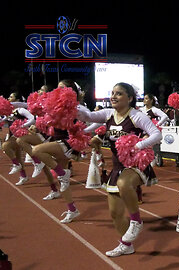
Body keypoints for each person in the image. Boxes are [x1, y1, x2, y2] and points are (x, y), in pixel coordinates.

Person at [77, 82, 162, 257]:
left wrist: (138, 145)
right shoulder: (108, 114)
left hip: (135, 164)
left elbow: (156, 134)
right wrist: (69, 105)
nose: (113, 96)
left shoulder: (136, 116)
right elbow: (88, 116)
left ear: (130, 98)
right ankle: (126, 244)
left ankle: (136, 222)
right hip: (117, 166)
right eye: (113, 93)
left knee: (124, 183)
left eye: (119, 94)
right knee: (115, 214)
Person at [31, 79, 84, 223]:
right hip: (58, 141)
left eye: (62, 87)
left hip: (68, 143)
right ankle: (72, 210)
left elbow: (92, 119)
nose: (58, 89)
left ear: (70, 91)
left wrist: (81, 132)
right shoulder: (55, 106)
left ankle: (61, 172)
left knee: (36, 150)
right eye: (57, 87)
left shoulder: (78, 108)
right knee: (64, 182)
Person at [16, 86, 60, 200]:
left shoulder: (51, 105)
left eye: (42, 89)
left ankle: (38, 162)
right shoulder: (37, 105)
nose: (39, 91)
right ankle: (54, 190)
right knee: (45, 168)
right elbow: (25, 106)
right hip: (41, 136)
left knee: (21, 140)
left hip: (50, 138)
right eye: (39, 90)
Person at [1, 92, 35, 186]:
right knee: (18, 155)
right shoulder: (10, 111)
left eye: (11, 97)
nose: (8, 98)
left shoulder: (21, 110)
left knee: (5, 146)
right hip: (12, 133)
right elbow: (4, 119)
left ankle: (16, 164)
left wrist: (22, 126)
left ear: (17, 100)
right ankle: (23, 176)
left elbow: (31, 117)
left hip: (20, 135)